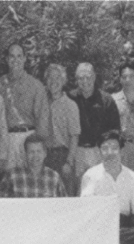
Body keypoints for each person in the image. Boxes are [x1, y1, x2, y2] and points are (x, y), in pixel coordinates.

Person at [0, 44, 49, 172]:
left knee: (30, 180)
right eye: (12, 56)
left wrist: (39, 147)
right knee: (8, 181)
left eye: (19, 56)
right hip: (7, 140)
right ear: (6, 59)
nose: (15, 60)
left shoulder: (36, 85)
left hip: (30, 138)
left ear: (25, 58)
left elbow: (42, 119)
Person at [69, 62, 121, 185]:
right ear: (76, 80)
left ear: (94, 77)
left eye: (88, 77)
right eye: (81, 78)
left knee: (100, 184)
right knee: (79, 187)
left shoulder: (106, 100)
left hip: (99, 151)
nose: (85, 81)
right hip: (77, 151)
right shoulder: (70, 98)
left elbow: (115, 129)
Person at [43, 64, 80, 195]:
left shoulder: (70, 105)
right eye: (50, 78)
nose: (54, 81)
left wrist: (69, 162)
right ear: (46, 81)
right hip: (44, 156)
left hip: (63, 156)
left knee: (66, 197)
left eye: (58, 78)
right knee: (47, 197)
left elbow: (74, 136)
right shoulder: (41, 103)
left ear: (63, 81)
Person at [0, 134, 67, 198]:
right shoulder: (12, 175)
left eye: (39, 151)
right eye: (31, 152)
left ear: (45, 154)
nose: (35, 155)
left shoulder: (54, 177)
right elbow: (0, 203)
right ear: (25, 154)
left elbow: (64, 205)